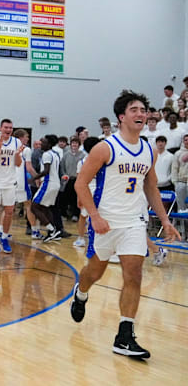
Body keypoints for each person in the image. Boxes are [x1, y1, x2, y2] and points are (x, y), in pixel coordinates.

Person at [70, 90, 180, 359]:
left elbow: (151, 186)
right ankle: (81, 293)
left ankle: (124, 336)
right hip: (106, 222)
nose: (141, 114)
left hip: (133, 222)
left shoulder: (148, 150)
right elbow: (80, 183)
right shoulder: (105, 147)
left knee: (134, 274)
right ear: (121, 117)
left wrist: (165, 219)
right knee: (94, 273)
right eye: (135, 110)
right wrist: (94, 216)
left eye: (143, 110)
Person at [0, 119, 23, 253]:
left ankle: (5, 237)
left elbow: (18, 164)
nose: (8, 130)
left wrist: (18, 155)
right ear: (0, 128)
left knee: (9, 212)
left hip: (10, 182)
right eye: (6, 127)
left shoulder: (16, 142)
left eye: (10, 128)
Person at [30, 136, 62, 241]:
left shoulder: (46, 154)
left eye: (43, 143)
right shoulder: (55, 154)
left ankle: (52, 230)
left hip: (49, 183)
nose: (40, 144)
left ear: (48, 144)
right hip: (55, 183)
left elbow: (46, 171)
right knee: (45, 207)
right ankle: (54, 231)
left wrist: (33, 178)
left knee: (34, 207)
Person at [72, 137, 101, 248]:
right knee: (97, 216)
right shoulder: (103, 161)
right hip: (97, 190)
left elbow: (79, 181)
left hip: (88, 190)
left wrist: (79, 197)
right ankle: (93, 239)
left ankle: (81, 238)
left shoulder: (83, 161)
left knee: (83, 216)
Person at [13, 129, 37, 235]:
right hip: (21, 182)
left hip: (9, 182)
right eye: (26, 136)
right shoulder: (26, 150)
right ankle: (35, 231)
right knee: (28, 205)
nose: (27, 138)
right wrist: (38, 178)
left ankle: (1, 231)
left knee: (8, 208)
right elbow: (29, 168)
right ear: (20, 138)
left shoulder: (9, 148)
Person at [171, 134, 188, 212]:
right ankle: (182, 224)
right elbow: (174, 168)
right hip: (181, 182)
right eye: (185, 140)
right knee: (181, 207)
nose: (187, 141)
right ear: (183, 141)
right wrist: (175, 182)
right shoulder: (178, 153)